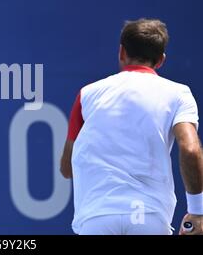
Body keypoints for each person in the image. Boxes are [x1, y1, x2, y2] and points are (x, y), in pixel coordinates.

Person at [60, 19, 203, 235]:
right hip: (149, 217)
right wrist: (197, 211)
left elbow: (67, 168)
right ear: (161, 60)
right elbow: (191, 149)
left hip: (96, 218)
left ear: (121, 52)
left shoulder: (87, 94)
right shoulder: (179, 94)